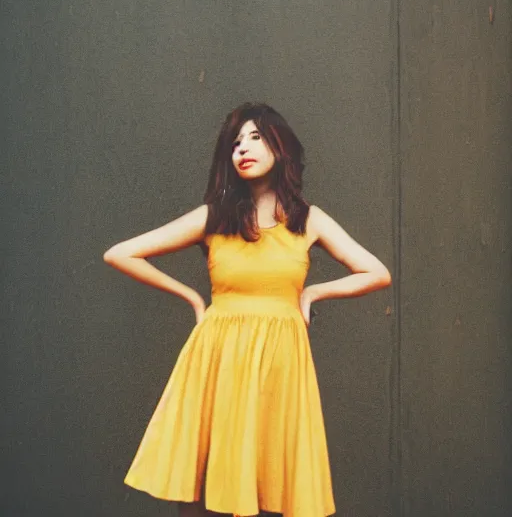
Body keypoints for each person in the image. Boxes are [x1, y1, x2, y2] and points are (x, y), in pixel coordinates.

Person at [103, 102, 391, 517]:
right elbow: (120, 254)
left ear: (281, 149)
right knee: (206, 494)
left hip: (279, 364)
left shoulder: (308, 220)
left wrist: (311, 294)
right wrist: (193, 298)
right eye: (236, 142)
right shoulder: (214, 218)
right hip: (218, 360)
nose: (243, 148)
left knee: (272, 483)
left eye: (255, 137)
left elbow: (376, 272)